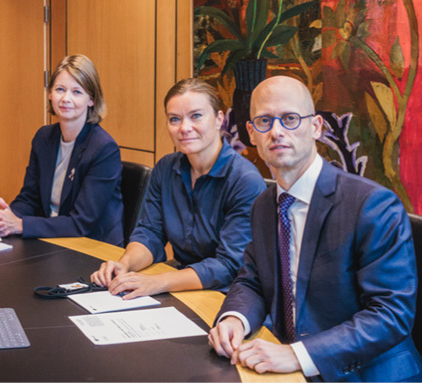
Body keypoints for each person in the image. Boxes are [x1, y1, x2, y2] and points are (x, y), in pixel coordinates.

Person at [208, 76, 422, 381]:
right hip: (294, 372)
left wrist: (298, 354)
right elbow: (253, 280)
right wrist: (235, 319)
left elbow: (391, 314)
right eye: (265, 121)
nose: (277, 131)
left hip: (369, 374)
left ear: (316, 127)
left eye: (290, 119)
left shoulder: (372, 205)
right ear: (252, 134)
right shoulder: (263, 206)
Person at [90, 78, 266, 299]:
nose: (184, 128)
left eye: (196, 116)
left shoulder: (245, 180)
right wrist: (125, 265)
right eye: (175, 119)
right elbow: (150, 233)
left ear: (219, 119)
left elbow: (228, 265)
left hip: (228, 294)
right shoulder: (165, 168)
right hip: (180, 284)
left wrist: (157, 282)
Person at [0, 54, 123, 246]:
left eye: (77, 92)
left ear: (91, 100)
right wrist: (7, 218)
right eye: (60, 89)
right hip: (51, 239)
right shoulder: (43, 137)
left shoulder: (103, 148)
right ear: (50, 94)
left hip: (92, 248)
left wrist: (21, 225)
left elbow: (81, 223)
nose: (66, 98)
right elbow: (29, 197)